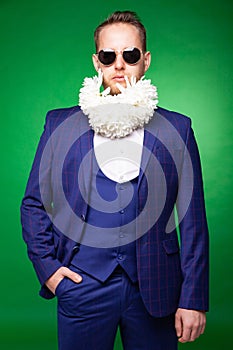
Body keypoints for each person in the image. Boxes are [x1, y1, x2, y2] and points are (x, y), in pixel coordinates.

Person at [21, 10, 209, 350]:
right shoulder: (59, 125)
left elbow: (193, 222)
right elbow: (34, 203)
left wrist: (193, 298)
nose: (119, 65)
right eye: (109, 56)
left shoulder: (178, 129)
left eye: (130, 55)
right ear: (97, 62)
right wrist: (49, 270)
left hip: (157, 290)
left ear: (146, 60)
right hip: (81, 284)